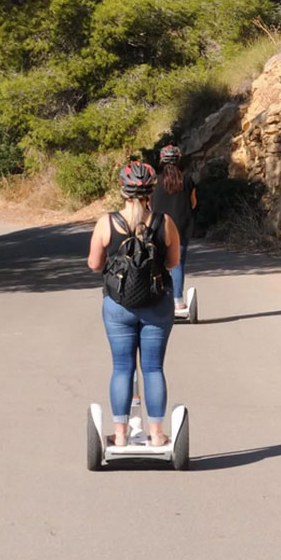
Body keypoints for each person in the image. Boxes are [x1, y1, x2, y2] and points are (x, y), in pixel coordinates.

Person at [87, 159, 180, 447]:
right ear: (152, 190)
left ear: (121, 190)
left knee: (122, 368)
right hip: (156, 303)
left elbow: (94, 264)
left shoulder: (107, 222)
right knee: (153, 368)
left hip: (118, 305)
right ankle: (156, 435)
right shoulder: (164, 222)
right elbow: (173, 262)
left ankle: (121, 435)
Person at [151, 142, 197, 312]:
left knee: (157, 263)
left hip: (159, 227)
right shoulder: (188, 180)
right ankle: (178, 300)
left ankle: (157, 298)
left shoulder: (155, 181)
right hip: (181, 228)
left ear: (161, 161)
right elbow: (193, 204)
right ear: (179, 161)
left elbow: (149, 205)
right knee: (177, 264)